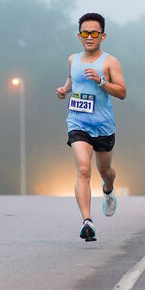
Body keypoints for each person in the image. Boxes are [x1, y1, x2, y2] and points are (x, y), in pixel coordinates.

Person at [56, 12, 126, 242]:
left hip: (103, 125)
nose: (89, 37)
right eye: (85, 33)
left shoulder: (110, 62)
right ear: (79, 35)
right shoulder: (72, 59)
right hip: (78, 122)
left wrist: (101, 81)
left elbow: (122, 92)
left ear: (102, 36)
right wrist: (64, 89)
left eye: (94, 34)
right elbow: (72, 79)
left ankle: (108, 189)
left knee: (105, 171)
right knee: (84, 170)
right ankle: (87, 221)